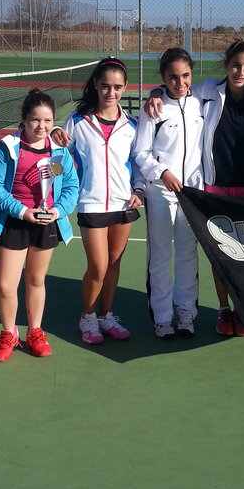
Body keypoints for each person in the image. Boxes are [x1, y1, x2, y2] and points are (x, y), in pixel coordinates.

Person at [146, 40, 244, 337]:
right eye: (235, 65)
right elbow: (175, 89)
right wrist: (155, 92)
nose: (240, 72)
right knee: (220, 255)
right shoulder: (207, 91)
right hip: (213, 189)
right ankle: (223, 310)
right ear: (226, 65)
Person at [0, 89, 79, 361]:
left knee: (36, 280)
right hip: (15, 222)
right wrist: (22, 211)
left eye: (47, 120)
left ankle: (35, 332)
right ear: (24, 119)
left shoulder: (59, 152)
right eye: (35, 120)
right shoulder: (8, 148)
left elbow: (70, 187)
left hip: (46, 223)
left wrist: (57, 211)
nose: (41, 126)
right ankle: (8, 333)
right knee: (6, 285)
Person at [62, 58, 144, 345]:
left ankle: (106, 315)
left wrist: (140, 190)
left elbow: (139, 162)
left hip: (123, 204)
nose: (111, 92)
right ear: (96, 85)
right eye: (106, 86)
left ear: (125, 88)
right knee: (97, 266)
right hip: (91, 203)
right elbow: (60, 158)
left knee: (113, 264)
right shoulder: (77, 121)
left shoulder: (133, 125)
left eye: (117, 87)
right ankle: (87, 316)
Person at [133, 48, 204, 339]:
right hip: (160, 192)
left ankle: (186, 311)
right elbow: (141, 152)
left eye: (185, 75)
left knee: (188, 254)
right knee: (160, 255)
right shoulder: (154, 109)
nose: (180, 82)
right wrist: (162, 172)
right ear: (163, 77)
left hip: (192, 193)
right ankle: (162, 317)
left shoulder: (200, 102)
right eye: (173, 77)